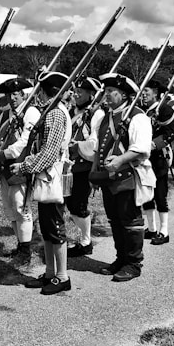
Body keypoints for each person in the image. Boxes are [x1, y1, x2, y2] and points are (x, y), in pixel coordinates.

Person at [10, 71, 72, 295]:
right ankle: (50, 273)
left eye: (40, 91)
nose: (37, 97)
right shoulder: (53, 111)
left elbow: (49, 153)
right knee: (47, 228)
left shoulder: (55, 113)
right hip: (46, 176)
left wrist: (24, 166)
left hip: (51, 176)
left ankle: (62, 276)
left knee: (55, 227)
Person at [90, 73, 154, 282]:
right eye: (105, 91)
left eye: (111, 92)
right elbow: (99, 148)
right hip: (109, 177)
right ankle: (121, 258)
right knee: (114, 220)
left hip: (127, 176)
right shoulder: (105, 117)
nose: (106, 95)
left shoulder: (137, 117)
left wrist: (119, 160)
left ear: (124, 94)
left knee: (131, 221)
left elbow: (141, 148)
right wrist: (95, 174)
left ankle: (133, 263)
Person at [0, 77, 40, 264]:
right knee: (9, 209)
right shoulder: (7, 114)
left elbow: (26, 140)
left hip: (20, 164)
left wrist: (6, 153)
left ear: (23, 94)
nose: (11, 98)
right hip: (5, 165)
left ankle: (26, 250)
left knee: (21, 207)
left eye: (15, 94)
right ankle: (20, 245)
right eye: (9, 94)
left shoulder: (30, 112)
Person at [66, 77, 104, 257]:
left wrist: (77, 146)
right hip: (68, 166)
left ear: (91, 94)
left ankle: (86, 241)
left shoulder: (97, 114)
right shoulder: (71, 111)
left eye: (81, 91)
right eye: (76, 90)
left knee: (79, 204)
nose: (76, 94)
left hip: (85, 165)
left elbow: (95, 143)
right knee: (69, 203)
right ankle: (84, 238)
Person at [140, 79, 174, 245]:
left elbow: (170, 134)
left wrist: (152, 145)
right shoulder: (142, 110)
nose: (144, 95)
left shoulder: (165, 110)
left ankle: (164, 231)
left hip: (158, 156)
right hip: (143, 157)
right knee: (147, 194)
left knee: (160, 195)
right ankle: (152, 228)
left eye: (146, 91)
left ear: (155, 92)